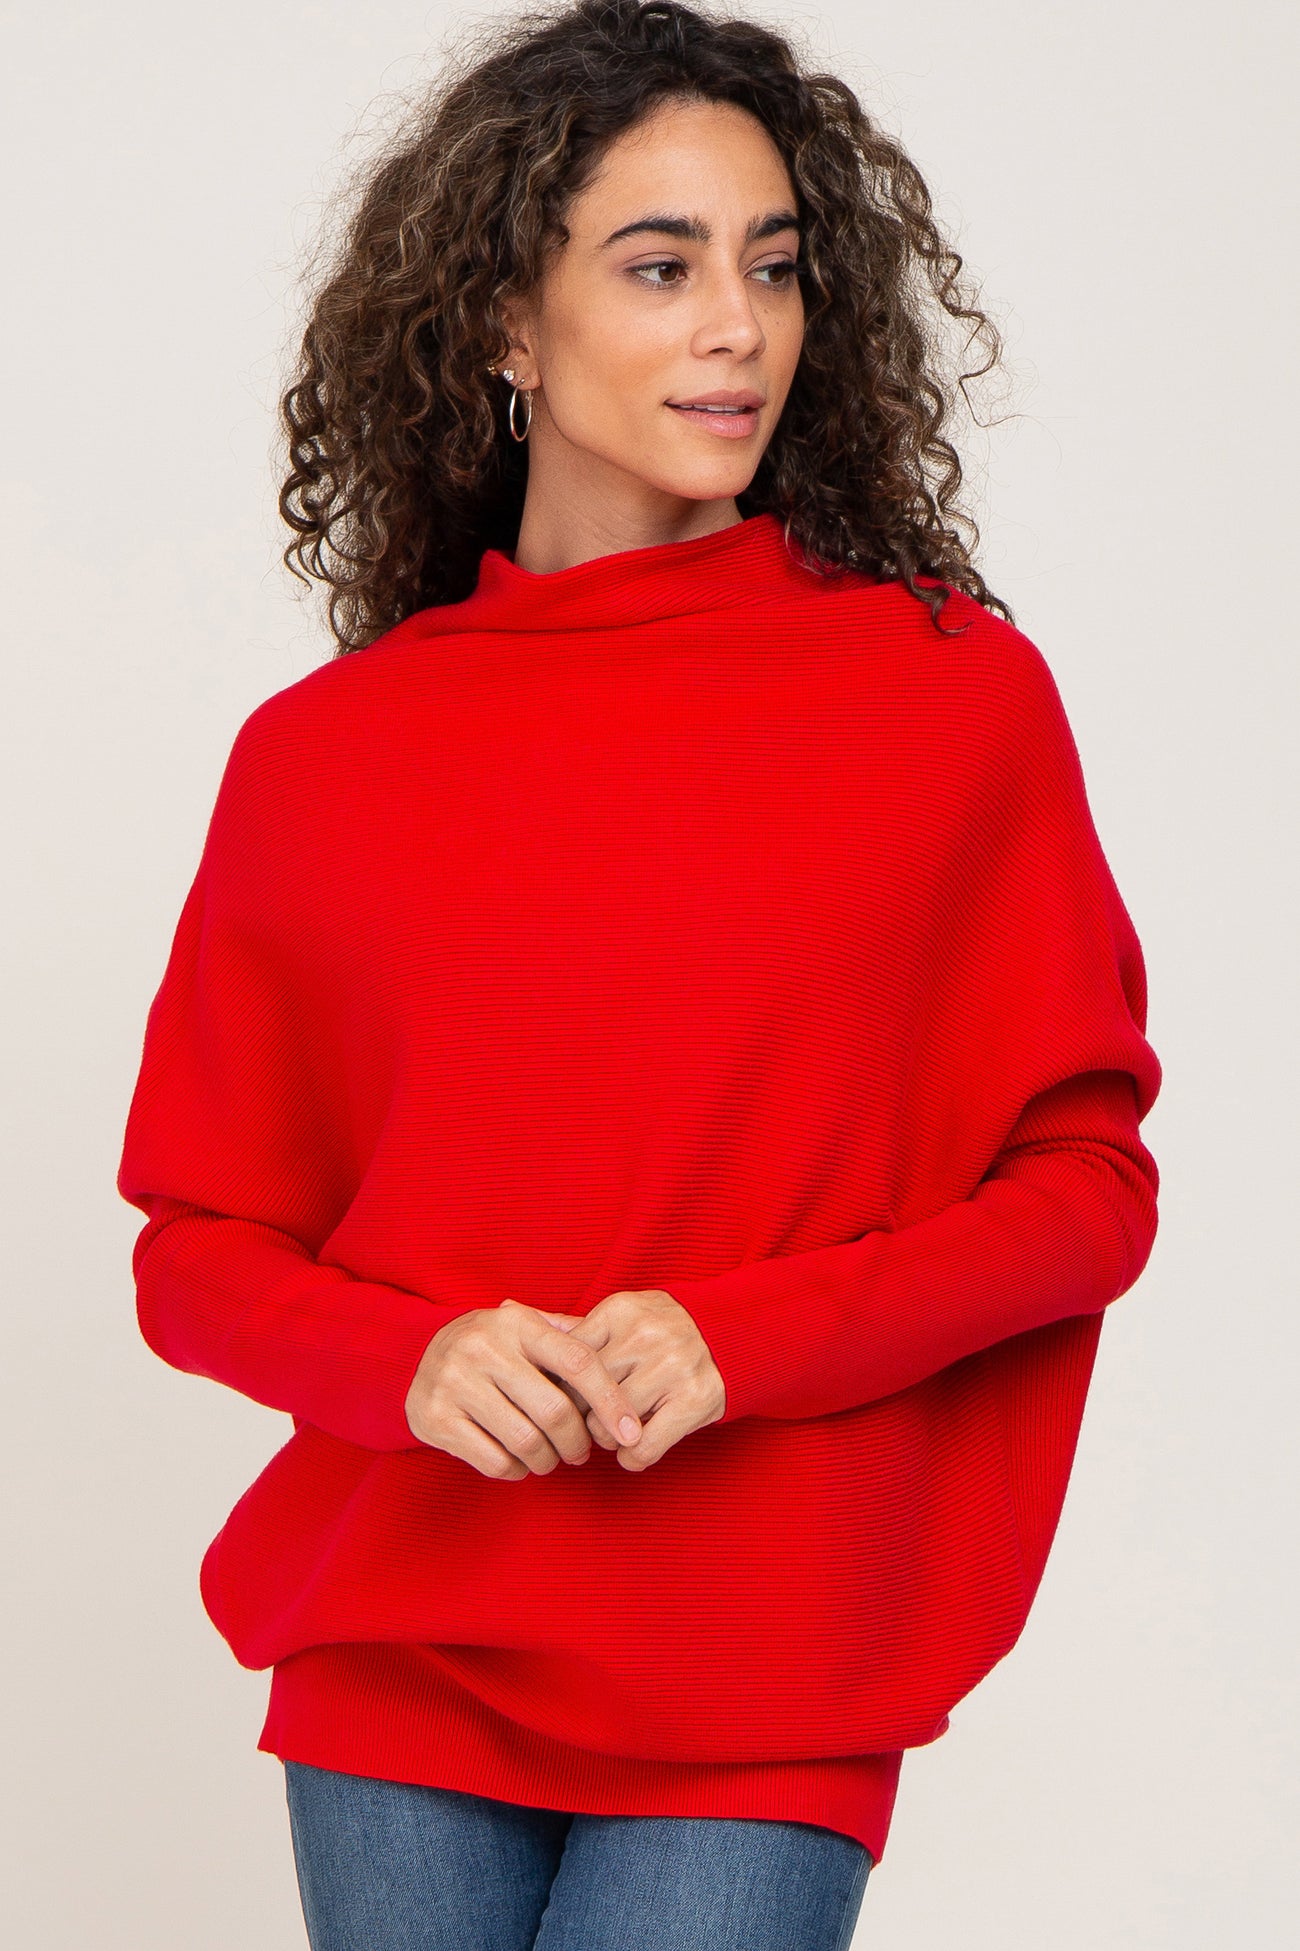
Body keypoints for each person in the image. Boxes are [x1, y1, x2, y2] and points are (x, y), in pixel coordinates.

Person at [116, 2, 1163, 1945]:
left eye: (774, 266)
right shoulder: (326, 757)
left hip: (768, 1666)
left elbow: (1084, 1196)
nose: (736, 328)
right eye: (660, 267)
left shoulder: (946, 707)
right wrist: (407, 1359)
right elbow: (198, 1253)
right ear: (503, 325)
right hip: (400, 1653)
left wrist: (744, 1338)